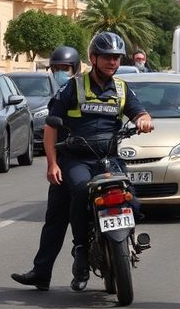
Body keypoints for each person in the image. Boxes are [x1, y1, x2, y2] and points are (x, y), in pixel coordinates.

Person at [44, 31, 153, 291]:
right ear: (93, 58)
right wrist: (52, 163)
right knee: (81, 192)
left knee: (132, 200)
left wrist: (144, 120)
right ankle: (80, 251)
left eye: (116, 58)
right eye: (106, 57)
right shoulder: (73, 86)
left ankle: (130, 239)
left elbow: (139, 111)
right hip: (77, 160)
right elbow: (51, 125)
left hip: (108, 159)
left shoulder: (122, 88)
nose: (112, 62)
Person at [11, 46, 82, 291]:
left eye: (65, 69)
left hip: (94, 160)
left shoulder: (83, 89)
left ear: (76, 68)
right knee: (55, 219)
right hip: (66, 160)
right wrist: (52, 163)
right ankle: (42, 272)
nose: (60, 73)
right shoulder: (60, 94)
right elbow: (51, 129)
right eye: (57, 69)